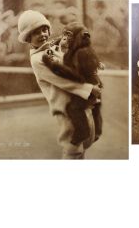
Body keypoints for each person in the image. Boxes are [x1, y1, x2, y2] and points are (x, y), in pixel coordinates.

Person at [18, 10, 101, 159]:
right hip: (64, 106)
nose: (43, 34)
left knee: (85, 138)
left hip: (78, 101)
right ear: (28, 38)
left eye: (44, 29)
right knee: (72, 144)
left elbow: (65, 58)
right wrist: (89, 89)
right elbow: (62, 81)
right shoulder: (38, 60)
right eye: (36, 33)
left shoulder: (49, 49)